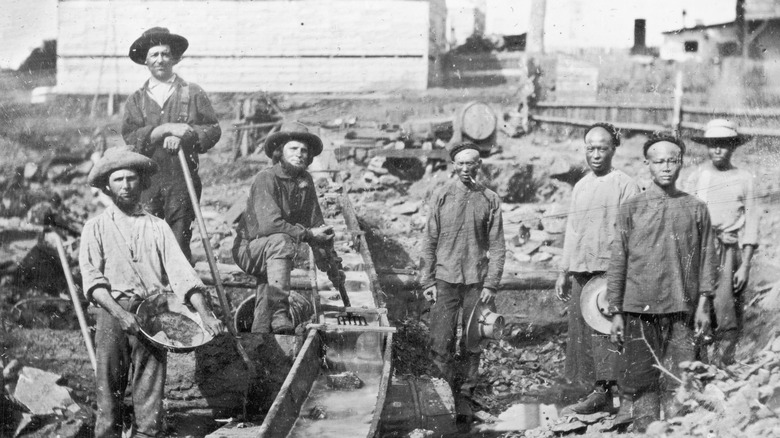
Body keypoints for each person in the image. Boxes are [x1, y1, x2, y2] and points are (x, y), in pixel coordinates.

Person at [79, 147, 225, 438]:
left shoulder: (157, 227)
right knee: (108, 394)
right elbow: (93, 281)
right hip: (112, 314)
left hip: (152, 316)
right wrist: (120, 314)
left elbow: (183, 275)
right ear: (107, 186)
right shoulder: (95, 227)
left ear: (142, 182)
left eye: (131, 178)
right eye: (118, 179)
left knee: (150, 394)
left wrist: (206, 315)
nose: (125, 185)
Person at [608, 136, 717, 431]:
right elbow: (618, 260)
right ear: (648, 165)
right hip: (639, 310)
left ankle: (679, 430)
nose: (666, 167)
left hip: (682, 307)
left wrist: (704, 305)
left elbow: (708, 258)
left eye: (672, 160)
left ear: (681, 163)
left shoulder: (696, 208)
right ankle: (646, 429)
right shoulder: (631, 208)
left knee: (681, 377)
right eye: (659, 161)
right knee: (643, 379)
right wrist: (616, 310)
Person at [555, 123, 640, 415]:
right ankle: (597, 392)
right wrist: (564, 271)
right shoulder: (581, 186)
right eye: (590, 148)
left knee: (607, 329)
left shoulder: (625, 184)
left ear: (613, 149)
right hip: (581, 269)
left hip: (608, 272)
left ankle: (619, 394)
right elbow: (573, 230)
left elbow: (632, 233)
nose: (595, 154)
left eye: (602, 148)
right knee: (582, 332)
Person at [232, 121, 343, 334]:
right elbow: (269, 225)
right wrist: (309, 234)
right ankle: (280, 313)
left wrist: (331, 264)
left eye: (304, 150)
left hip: (274, 250)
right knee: (281, 241)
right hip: (249, 248)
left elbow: (317, 224)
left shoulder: (305, 180)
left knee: (269, 288)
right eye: (293, 148)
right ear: (279, 152)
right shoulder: (267, 178)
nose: (299, 154)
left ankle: (260, 336)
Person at [122, 27, 221, 262]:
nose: (160, 60)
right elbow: (130, 136)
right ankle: (153, 296)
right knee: (147, 240)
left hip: (181, 179)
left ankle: (181, 294)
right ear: (145, 61)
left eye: (165, 54)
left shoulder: (192, 92)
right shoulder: (137, 99)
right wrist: (164, 130)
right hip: (147, 181)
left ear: (175, 58)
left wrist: (185, 136)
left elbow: (212, 129)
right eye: (154, 55)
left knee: (178, 241)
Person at [420, 141, 506, 396]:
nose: (466, 168)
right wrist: (427, 282)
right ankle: (444, 395)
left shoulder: (490, 199)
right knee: (440, 341)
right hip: (445, 280)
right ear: (454, 165)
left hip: (476, 284)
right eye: (461, 163)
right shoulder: (441, 195)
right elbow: (429, 241)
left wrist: (491, 284)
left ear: (479, 165)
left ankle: (466, 393)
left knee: (473, 341)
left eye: (471, 163)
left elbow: (498, 246)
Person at [684, 119, 758, 366]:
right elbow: (689, 217)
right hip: (702, 250)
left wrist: (745, 264)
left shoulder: (744, 178)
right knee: (698, 304)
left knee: (726, 308)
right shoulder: (698, 177)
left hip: (728, 253)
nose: (717, 150)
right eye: (713, 145)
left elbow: (752, 222)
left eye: (724, 145)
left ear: (733, 147)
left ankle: (723, 365)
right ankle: (698, 366)